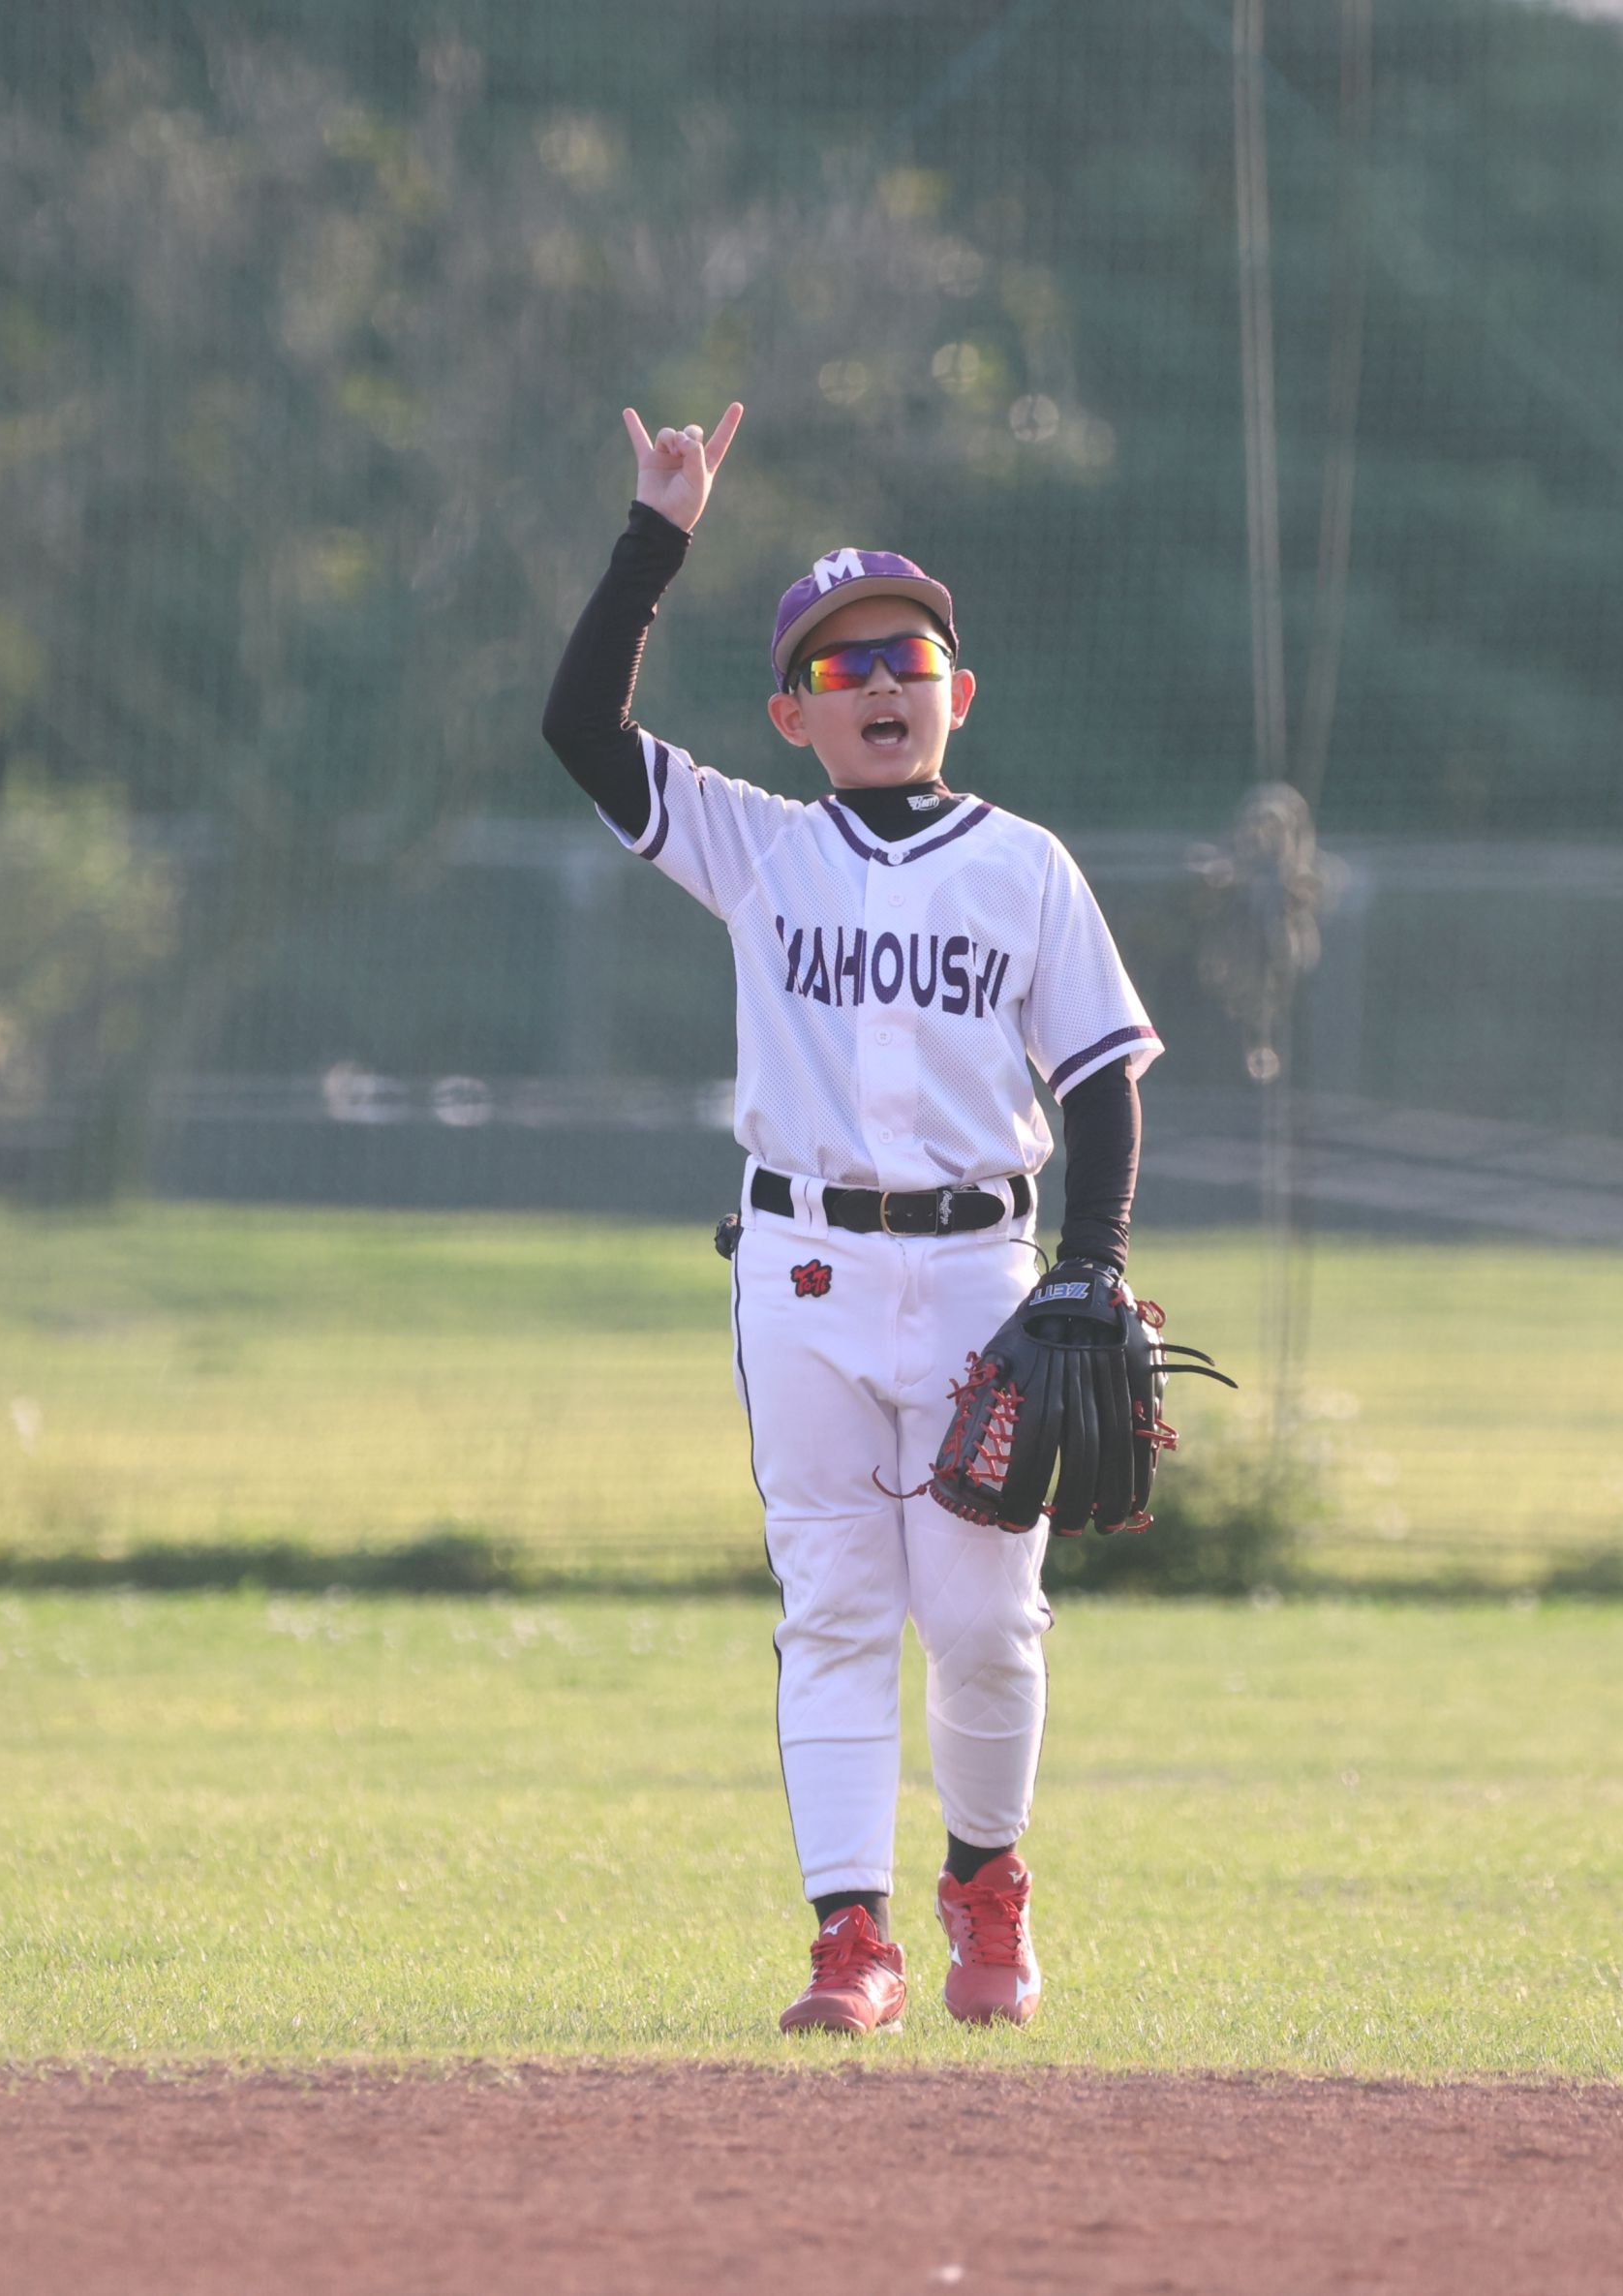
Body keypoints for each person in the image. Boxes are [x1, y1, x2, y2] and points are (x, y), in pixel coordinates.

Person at [539, 402, 1163, 2035]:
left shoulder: (1025, 867)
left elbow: (1101, 1079)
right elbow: (581, 729)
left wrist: (1092, 1266)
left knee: (982, 1620)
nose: (881, 682)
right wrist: (656, 537)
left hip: (977, 1276)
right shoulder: (761, 850)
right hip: (803, 1267)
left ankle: (985, 1883)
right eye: (841, 664)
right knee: (830, 1608)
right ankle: (850, 1941)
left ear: (959, 693)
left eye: (908, 657)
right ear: (793, 714)